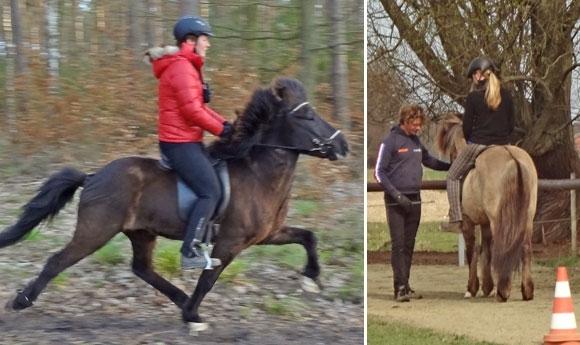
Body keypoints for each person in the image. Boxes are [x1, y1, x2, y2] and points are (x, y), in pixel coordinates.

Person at [145, 16, 233, 270]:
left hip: (188, 139)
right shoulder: (182, 67)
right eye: (205, 39)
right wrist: (222, 130)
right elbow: (192, 112)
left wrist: (227, 126)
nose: (208, 44)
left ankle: (203, 236)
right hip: (179, 143)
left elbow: (200, 107)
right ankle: (190, 250)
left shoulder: (187, 65)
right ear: (190, 40)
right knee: (210, 191)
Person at [374, 104, 450, 302]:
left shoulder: (415, 142)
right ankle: (398, 287)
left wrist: (452, 167)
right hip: (396, 201)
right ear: (405, 121)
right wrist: (396, 195)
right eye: (415, 124)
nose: (418, 128)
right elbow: (379, 172)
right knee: (398, 245)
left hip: (415, 199)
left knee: (409, 245)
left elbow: (429, 161)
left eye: (419, 125)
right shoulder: (390, 141)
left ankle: (406, 285)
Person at [445, 56, 515, 233]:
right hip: (504, 145)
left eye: (473, 75)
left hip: (479, 144)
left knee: (452, 176)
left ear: (478, 75)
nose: (473, 79)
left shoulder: (474, 97)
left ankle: (455, 217)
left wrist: (469, 139)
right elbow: (511, 124)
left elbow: (467, 127)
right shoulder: (506, 96)